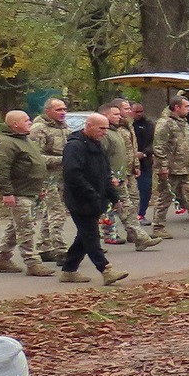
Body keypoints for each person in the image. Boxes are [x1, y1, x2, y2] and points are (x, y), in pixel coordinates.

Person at [57, 112, 127, 285]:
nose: (104, 132)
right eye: (101, 128)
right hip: (80, 199)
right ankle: (106, 269)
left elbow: (105, 174)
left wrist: (114, 197)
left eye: (106, 128)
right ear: (88, 126)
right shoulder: (74, 146)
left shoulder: (98, 145)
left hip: (97, 198)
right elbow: (73, 175)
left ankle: (69, 269)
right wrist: (91, 194)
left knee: (84, 236)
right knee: (91, 235)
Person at [0, 111, 54, 276]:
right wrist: (7, 193)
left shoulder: (25, 140)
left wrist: (39, 188)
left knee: (16, 227)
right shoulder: (6, 143)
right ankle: (33, 263)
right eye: (26, 120)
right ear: (15, 124)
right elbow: (1, 170)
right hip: (18, 192)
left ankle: (1, 259)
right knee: (25, 229)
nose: (30, 122)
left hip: (31, 192)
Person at [149, 95, 189, 239]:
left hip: (184, 167)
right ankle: (158, 227)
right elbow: (159, 147)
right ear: (177, 107)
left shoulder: (183, 121)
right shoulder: (165, 123)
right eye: (186, 106)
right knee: (165, 198)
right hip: (170, 169)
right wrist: (163, 167)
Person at [99, 100, 155, 250]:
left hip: (124, 173)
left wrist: (135, 165)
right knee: (116, 206)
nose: (121, 115)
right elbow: (102, 157)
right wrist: (109, 176)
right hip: (112, 177)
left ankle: (137, 236)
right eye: (116, 113)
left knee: (129, 204)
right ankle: (112, 234)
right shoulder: (106, 134)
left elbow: (129, 150)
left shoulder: (120, 129)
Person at [30, 98, 71, 262]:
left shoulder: (63, 127)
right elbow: (35, 157)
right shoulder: (39, 129)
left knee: (51, 213)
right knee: (57, 213)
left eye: (64, 109)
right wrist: (64, 159)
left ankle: (45, 247)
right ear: (47, 111)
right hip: (48, 178)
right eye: (58, 110)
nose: (63, 113)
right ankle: (60, 250)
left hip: (63, 176)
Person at [130, 102, 154, 221]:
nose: (139, 114)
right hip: (129, 163)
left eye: (141, 111)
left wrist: (144, 153)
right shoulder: (127, 126)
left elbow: (154, 142)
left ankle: (141, 213)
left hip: (145, 163)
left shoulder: (149, 125)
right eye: (136, 112)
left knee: (145, 189)